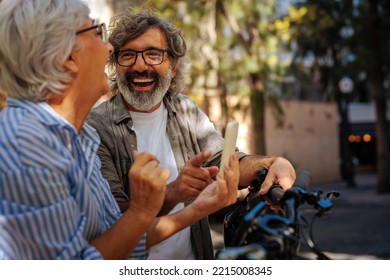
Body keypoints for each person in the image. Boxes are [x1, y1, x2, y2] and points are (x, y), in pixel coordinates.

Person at [0, 0, 240, 260]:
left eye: (152, 54)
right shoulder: (26, 144)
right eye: (96, 33)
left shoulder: (78, 137)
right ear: (67, 56)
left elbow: (110, 238)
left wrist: (196, 209)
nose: (109, 48)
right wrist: (142, 209)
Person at [87, 9, 296, 260]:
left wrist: (272, 163)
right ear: (116, 65)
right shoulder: (95, 128)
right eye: (128, 55)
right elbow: (115, 226)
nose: (140, 66)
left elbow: (226, 161)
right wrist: (173, 192)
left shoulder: (186, 110)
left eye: (153, 54)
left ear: (173, 66)